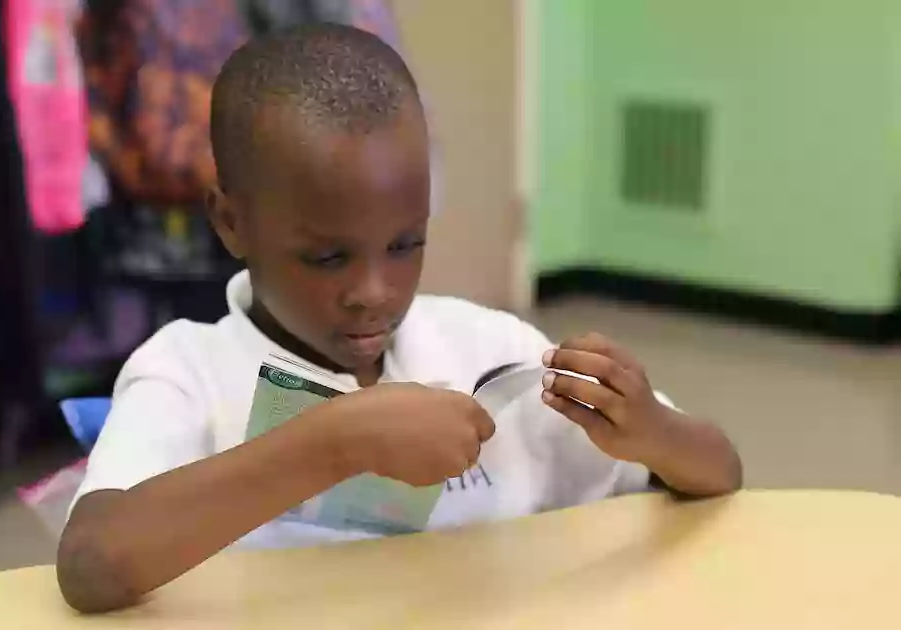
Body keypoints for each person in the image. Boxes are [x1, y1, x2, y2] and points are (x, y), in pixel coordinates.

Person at [57, 23, 742, 614]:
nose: (374, 291)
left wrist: (651, 428)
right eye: (327, 257)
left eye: (405, 244)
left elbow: (720, 473)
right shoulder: (188, 372)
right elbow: (91, 563)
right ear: (231, 222)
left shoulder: (488, 349)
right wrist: (334, 443)